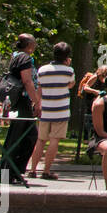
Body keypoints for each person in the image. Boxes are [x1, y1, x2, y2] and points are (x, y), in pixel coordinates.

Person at [26, 42, 74, 180]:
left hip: (46, 109)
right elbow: (70, 84)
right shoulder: (68, 71)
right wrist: (67, 66)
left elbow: (39, 88)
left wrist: (37, 104)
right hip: (61, 110)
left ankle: (33, 169)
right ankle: (46, 171)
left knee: (40, 140)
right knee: (54, 140)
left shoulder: (42, 70)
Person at [1, 33, 41, 179]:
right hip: (22, 101)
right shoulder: (24, 58)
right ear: (29, 45)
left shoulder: (17, 56)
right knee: (22, 136)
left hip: (19, 101)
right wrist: (36, 101)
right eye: (34, 42)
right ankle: (10, 171)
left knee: (25, 136)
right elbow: (27, 81)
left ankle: (12, 170)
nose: (35, 45)